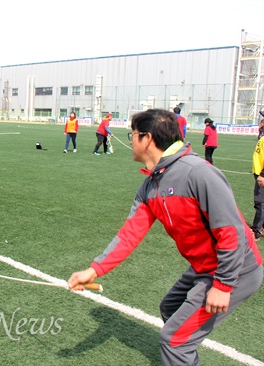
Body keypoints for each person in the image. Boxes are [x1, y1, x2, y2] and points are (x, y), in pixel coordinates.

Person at [67, 109, 262, 366]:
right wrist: (93, 270)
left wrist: (223, 286)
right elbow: (129, 235)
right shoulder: (150, 185)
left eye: (133, 135)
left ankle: (180, 353)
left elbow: (232, 233)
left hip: (236, 271)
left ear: (147, 139)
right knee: (170, 309)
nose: (131, 141)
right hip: (204, 268)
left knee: (174, 341)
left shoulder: (198, 173)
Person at [250, 134, 264, 240]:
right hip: (259, 173)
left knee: (260, 203)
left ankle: (256, 231)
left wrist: (262, 174)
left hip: (262, 175)